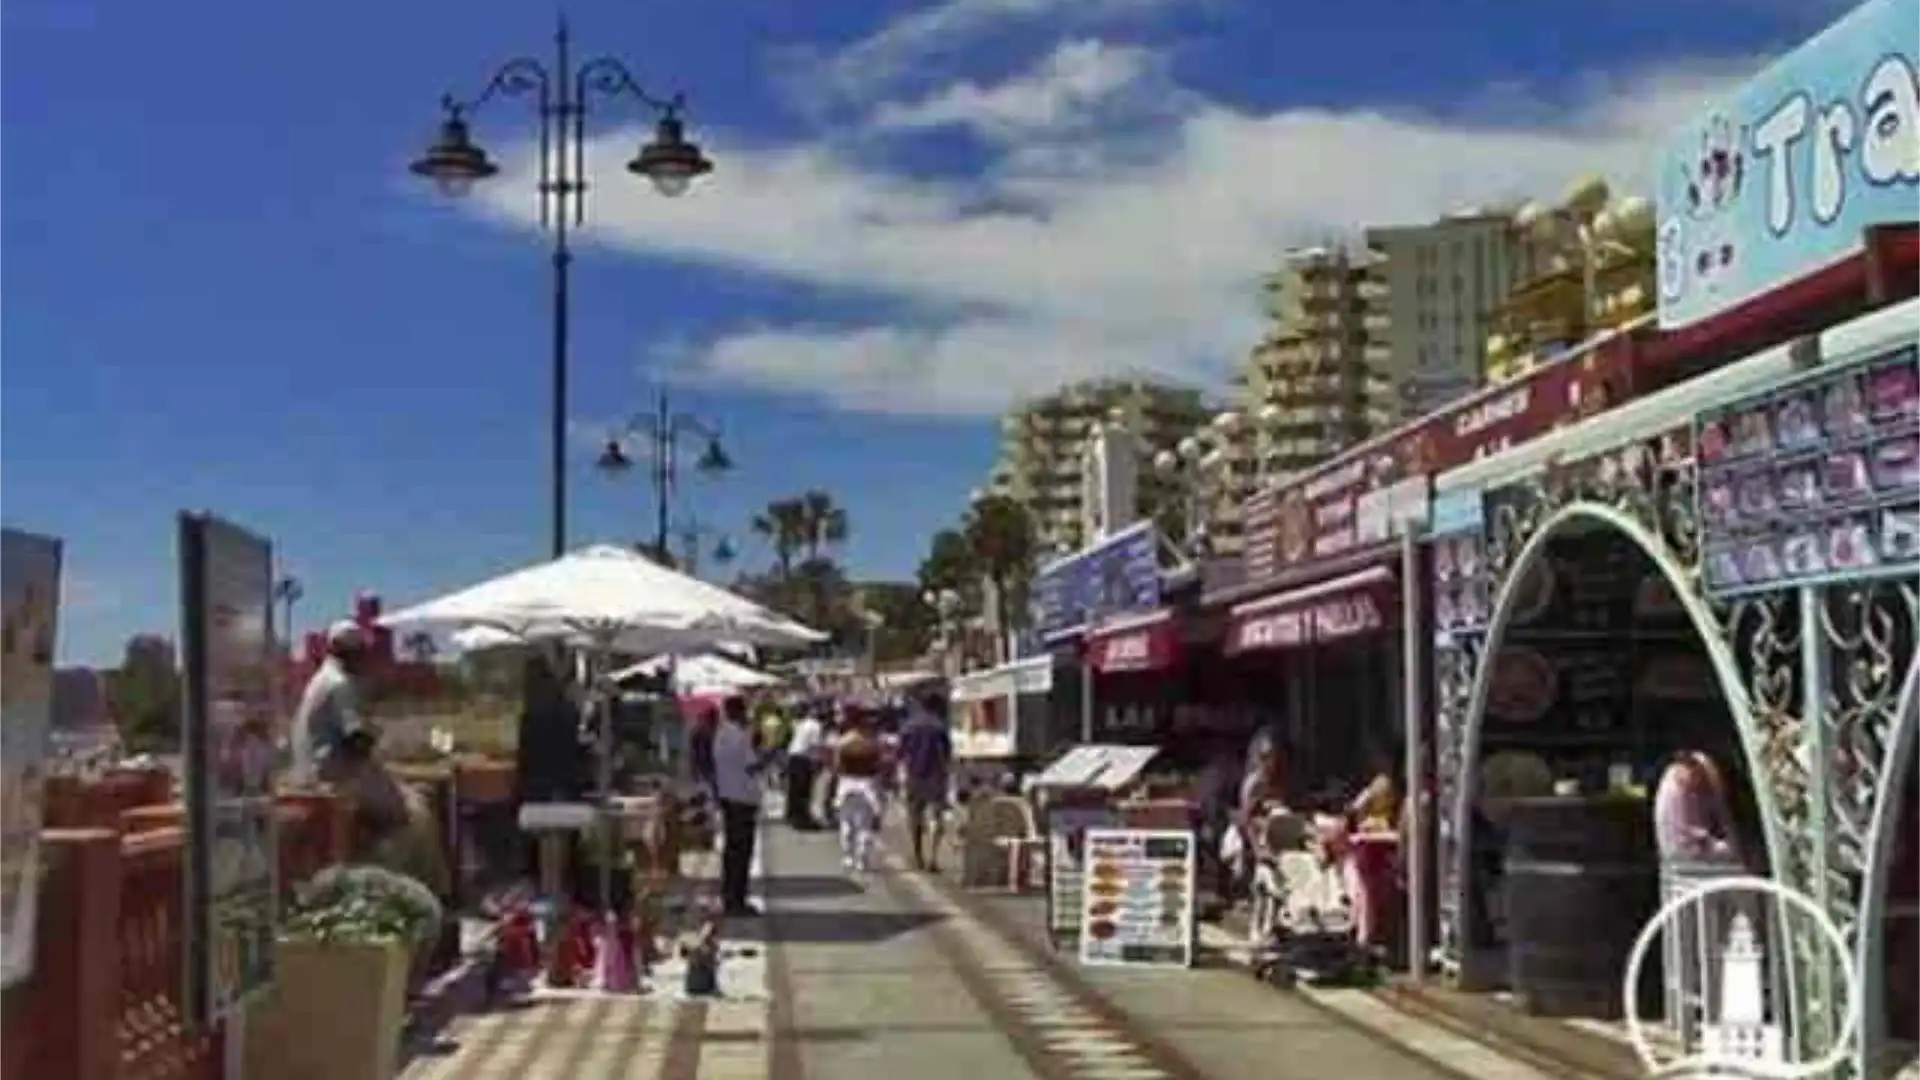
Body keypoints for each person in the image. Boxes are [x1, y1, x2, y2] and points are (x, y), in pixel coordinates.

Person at [711, 696, 766, 917]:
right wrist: (767, 754)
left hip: (727, 794)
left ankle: (729, 896)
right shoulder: (740, 736)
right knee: (742, 852)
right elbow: (751, 766)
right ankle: (737, 901)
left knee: (731, 851)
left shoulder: (721, 734)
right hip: (743, 798)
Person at [896, 690, 953, 872]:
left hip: (914, 775)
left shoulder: (908, 726)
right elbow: (947, 754)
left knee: (914, 815)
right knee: (937, 816)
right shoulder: (940, 726)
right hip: (936, 776)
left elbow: (900, 753)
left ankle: (917, 854)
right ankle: (933, 857)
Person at [831, 711, 886, 875]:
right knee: (864, 826)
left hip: (846, 784)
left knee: (846, 824)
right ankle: (862, 859)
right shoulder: (871, 743)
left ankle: (848, 856)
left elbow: (836, 766)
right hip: (867, 785)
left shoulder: (843, 743)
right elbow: (879, 766)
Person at [785, 705, 826, 830]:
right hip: (804, 758)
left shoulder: (802, 723)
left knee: (794, 789)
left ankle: (791, 815)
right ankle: (801, 820)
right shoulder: (816, 726)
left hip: (793, 755)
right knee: (803, 789)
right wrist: (818, 762)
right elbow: (815, 745)